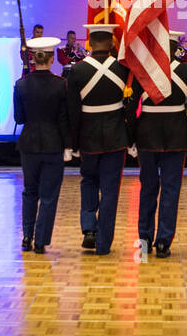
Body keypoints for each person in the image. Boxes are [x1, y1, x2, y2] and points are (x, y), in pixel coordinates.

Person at [66, 23, 133, 253]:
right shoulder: (123, 69)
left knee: (89, 182)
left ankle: (89, 229)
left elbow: (73, 112)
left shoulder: (77, 71)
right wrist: (130, 139)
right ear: (112, 43)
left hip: (88, 137)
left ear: (90, 43)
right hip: (115, 137)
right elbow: (129, 106)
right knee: (111, 190)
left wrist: (72, 143)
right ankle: (104, 243)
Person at [136, 30, 187, 257]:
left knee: (148, 189)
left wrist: (131, 137)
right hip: (176, 136)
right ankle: (164, 242)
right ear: (176, 48)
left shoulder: (143, 69)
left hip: (146, 135)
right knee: (170, 190)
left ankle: (144, 240)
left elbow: (129, 106)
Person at [14, 36, 70, 253]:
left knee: (30, 191)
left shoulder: (21, 85)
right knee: (48, 195)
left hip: (28, 144)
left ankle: (27, 236)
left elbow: (19, 118)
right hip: (53, 144)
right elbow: (64, 119)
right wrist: (68, 145)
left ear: (33, 58)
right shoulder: (60, 85)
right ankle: (40, 241)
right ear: (52, 57)